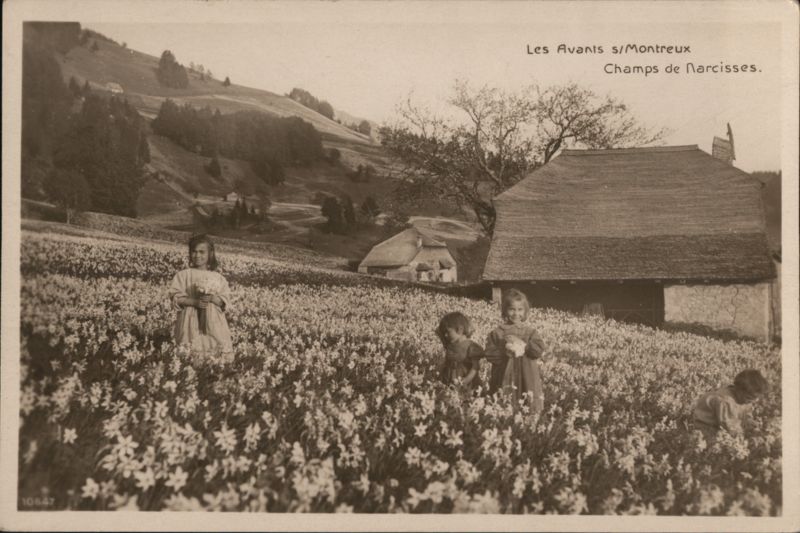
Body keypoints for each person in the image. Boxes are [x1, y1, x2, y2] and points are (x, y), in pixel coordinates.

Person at [168, 234, 233, 361]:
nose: (197, 255)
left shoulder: (218, 278)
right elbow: (175, 297)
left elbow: (224, 301)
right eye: (194, 252)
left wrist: (213, 298)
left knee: (215, 350)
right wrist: (194, 302)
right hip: (189, 318)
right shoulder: (183, 275)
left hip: (214, 321)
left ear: (210, 254)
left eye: (202, 252)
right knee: (189, 350)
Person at [485, 289, 546, 415]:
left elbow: (538, 350)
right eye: (512, 309)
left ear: (525, 312)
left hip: (527, 373)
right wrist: (504, 351)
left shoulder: (530, 332)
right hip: (504, 372)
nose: (516, 313)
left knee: (527, 400)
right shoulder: (497, 332)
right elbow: (490, 353)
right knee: (503, 397)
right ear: (505, 310)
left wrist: (523, 345)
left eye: (520, 310)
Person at [693, 369, 768, 437]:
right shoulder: (726, 402)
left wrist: (749, 421)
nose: (753, 401)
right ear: (739, 390)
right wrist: (748, 435)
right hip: (704, 429)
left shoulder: (742, 398)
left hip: (720, 425)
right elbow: (729, 427)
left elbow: (746, 411)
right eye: (749, 398)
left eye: (755, 399)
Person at [435, 312, 484, 392]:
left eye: (448, 332)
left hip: (466, 382)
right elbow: (438, 331)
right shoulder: (450, 345)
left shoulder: (471, 347)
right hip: (448, 379)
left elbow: (475, 368)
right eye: (444, 333)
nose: (445, 335)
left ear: (460, 329)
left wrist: (464, 382)